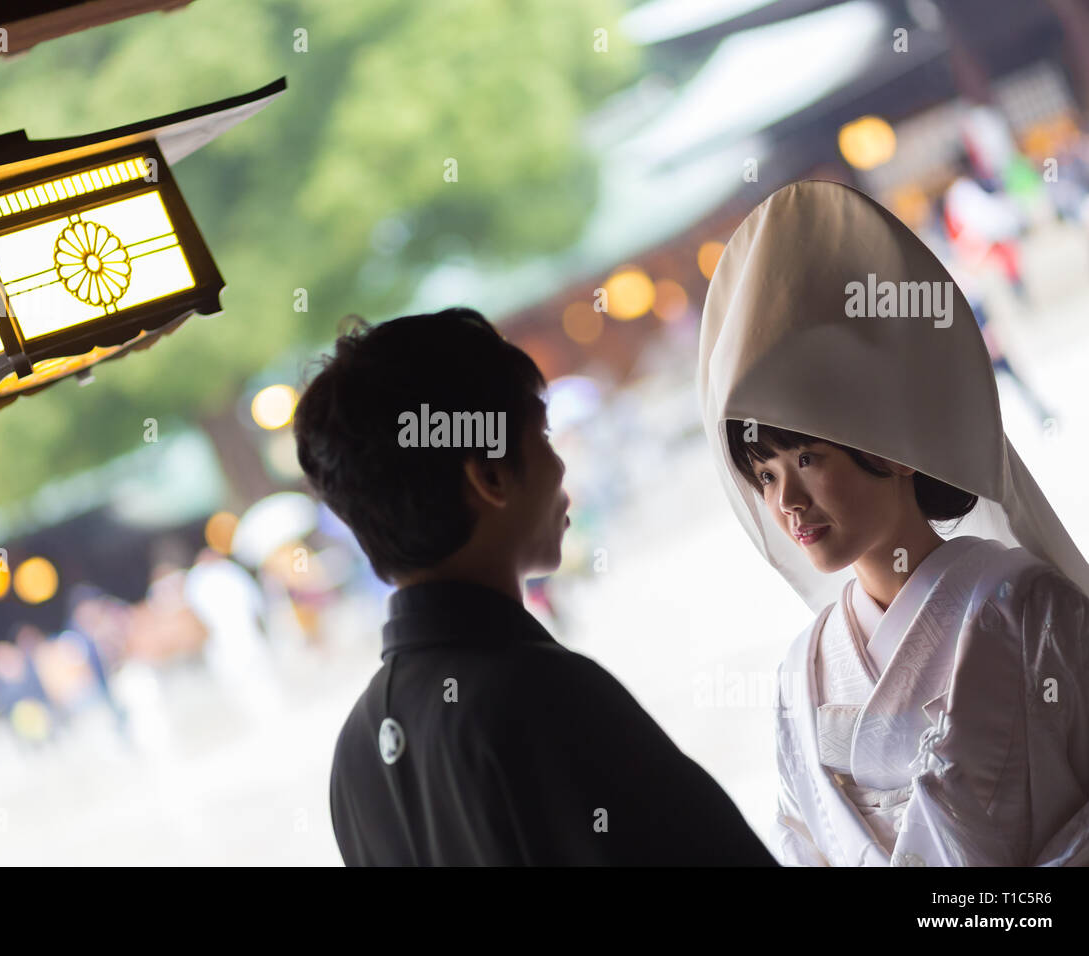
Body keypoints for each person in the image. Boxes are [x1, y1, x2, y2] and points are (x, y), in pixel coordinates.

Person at [698, 179, 1089, 866]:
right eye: (764, 475)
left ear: (892, 443)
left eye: (807, 458)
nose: (787, 501)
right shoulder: (801, 671)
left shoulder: (1026, 606)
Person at [295, 307, 774, 866]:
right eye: (542, 435)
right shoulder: (539, 692)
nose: (560, 466)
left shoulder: (357, 752)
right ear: (490, 476)